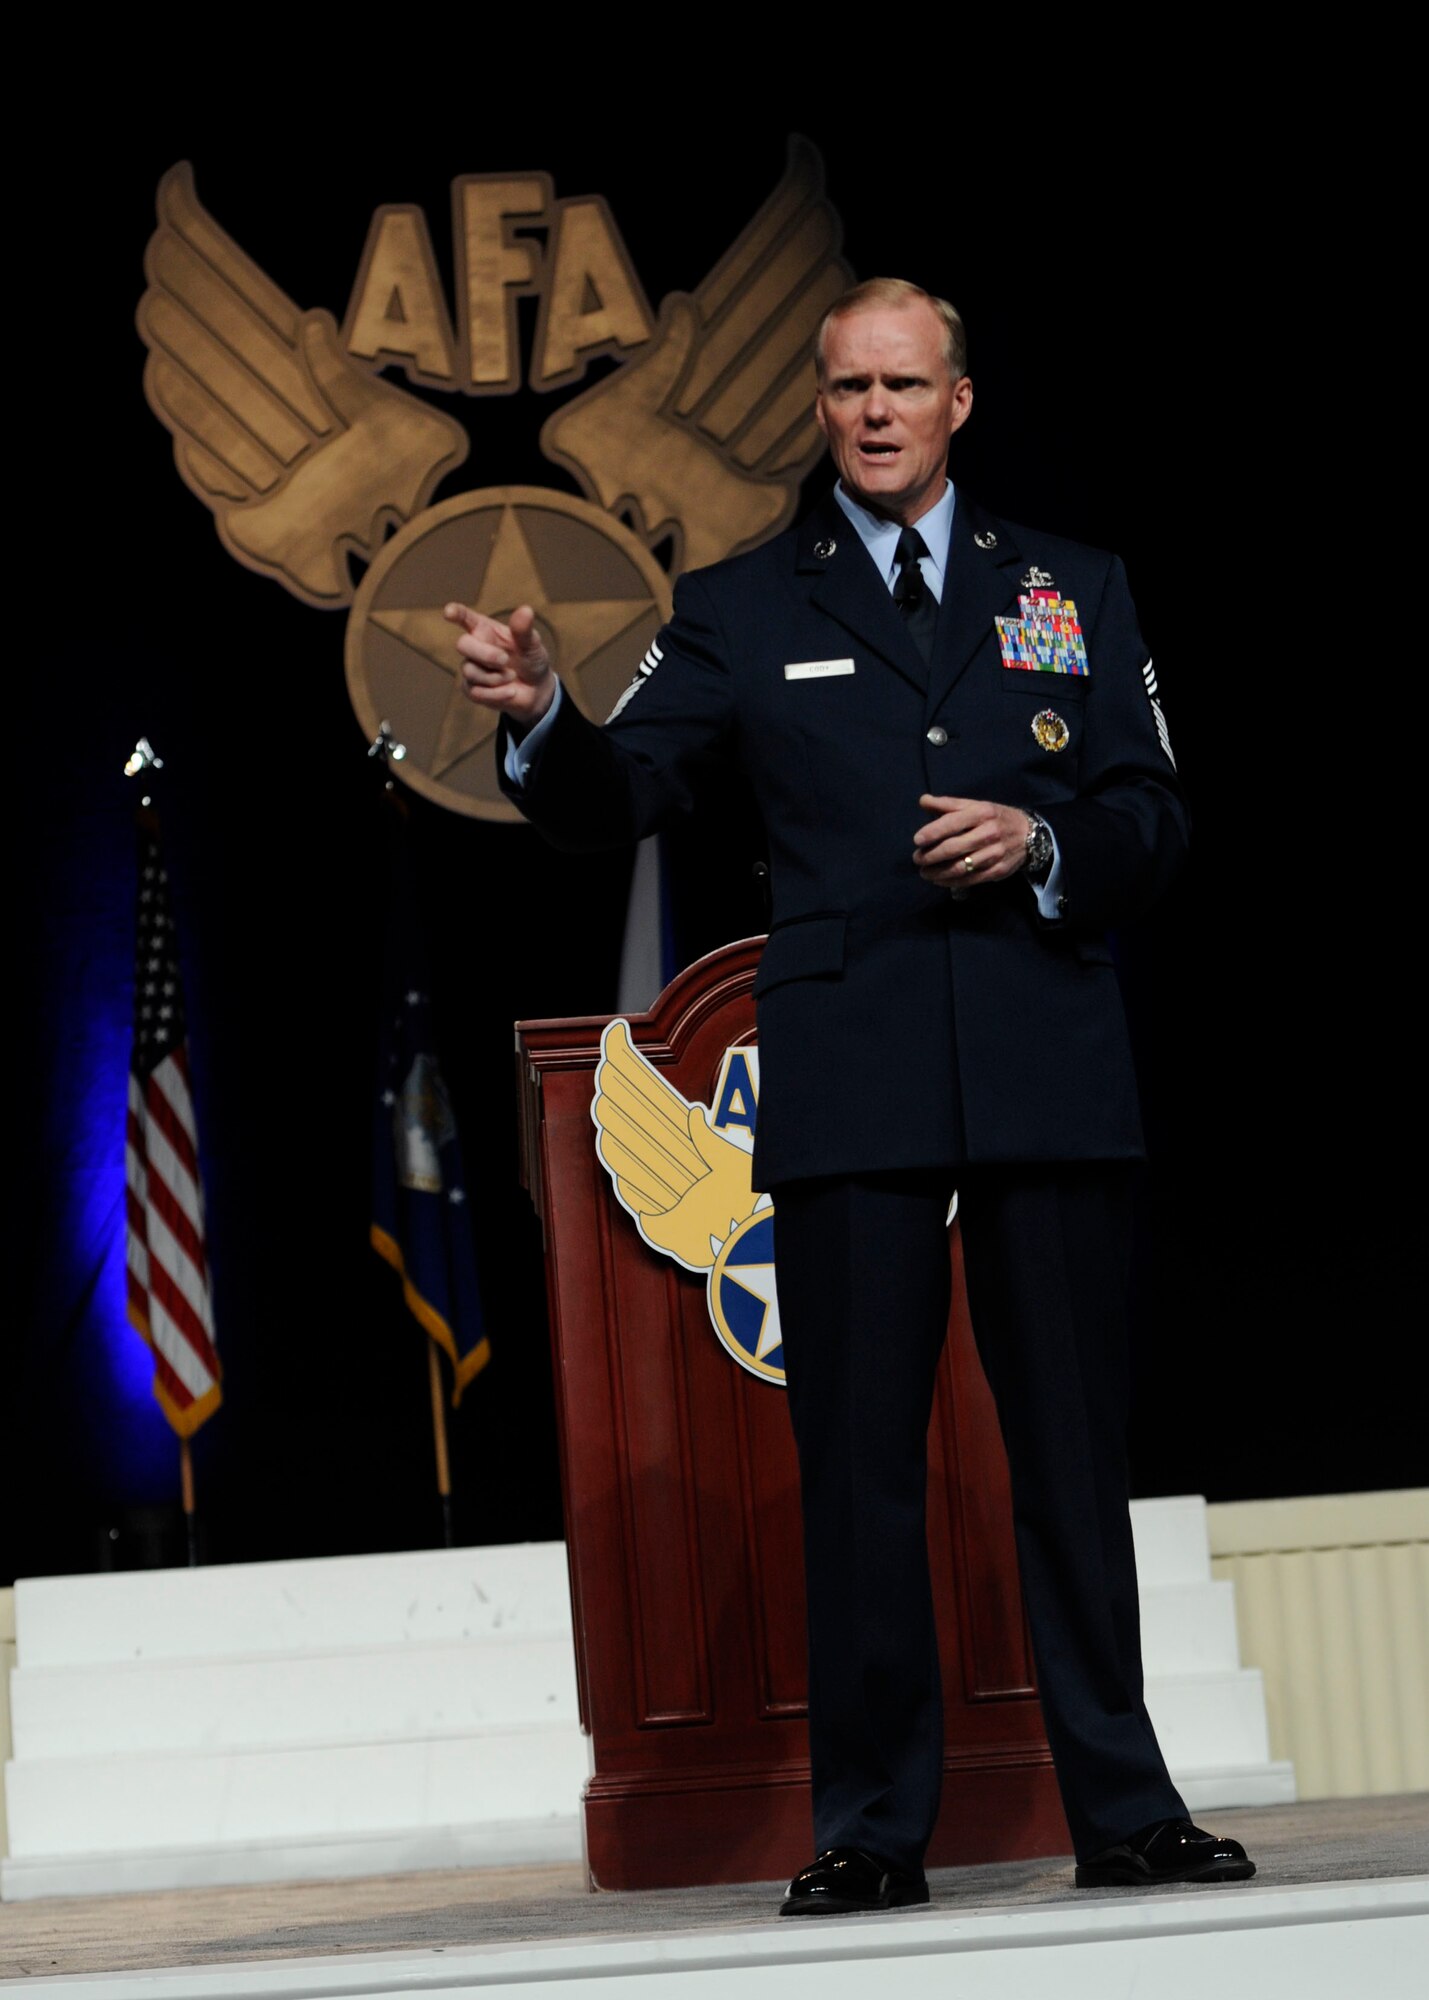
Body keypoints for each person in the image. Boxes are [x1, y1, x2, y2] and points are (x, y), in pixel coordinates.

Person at [444, 278, 1255, 1913]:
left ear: (960, 400)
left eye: (903, 384)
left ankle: (1126, 1807)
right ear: (815, 408)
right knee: (861, 1465)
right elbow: (632, 793)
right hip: (849, 1081)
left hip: (1043, 1066)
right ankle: (873, 1830)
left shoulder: (1066, 586)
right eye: (845, 388)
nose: (873, 412)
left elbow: (1150, 820)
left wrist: (1042, 850)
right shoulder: (742, 605)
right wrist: (544, 722)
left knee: (1069, 1456)